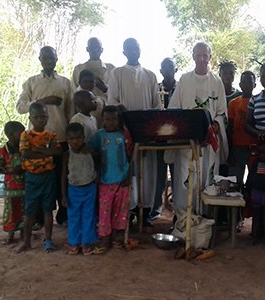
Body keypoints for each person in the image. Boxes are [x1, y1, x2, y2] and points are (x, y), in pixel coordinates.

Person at [168, 42, 228, 212]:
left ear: (210, 57)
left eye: (205, 55)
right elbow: (174, 108)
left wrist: (215, 125)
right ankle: (182, 217)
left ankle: (203, 219)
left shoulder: (217, 82)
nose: (202, 59)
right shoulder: (184, 80)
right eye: (198, 55)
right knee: (184, 178)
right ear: (193, 56)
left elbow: (222, 111)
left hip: (208, 142)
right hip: (187, 142)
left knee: (206, 180)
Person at [107, 38, 161, 226]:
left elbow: (157, 105)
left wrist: (152, 129)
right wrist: (120, 110)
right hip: (125, 133)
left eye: (136, 48)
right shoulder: (117, 73)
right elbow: (111, 100)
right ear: (124, 52)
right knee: (128, 172)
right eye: (129, 49)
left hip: (147, 133)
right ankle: (128, 213)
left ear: (140, 50)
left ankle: (145, 213)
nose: (133, 51)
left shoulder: (150, 75)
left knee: (148, 172)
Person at [17, 46, 72, 225]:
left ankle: (62, 216)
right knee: (39, 178)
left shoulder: (65, 82)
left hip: (61, 138)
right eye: (45, 57)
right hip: (35, 140)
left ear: (56, 59)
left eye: (52, 57)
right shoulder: (31, 82)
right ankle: (39, 218)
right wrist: (43, 101)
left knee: (61, 178)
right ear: (39, 59)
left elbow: (71, 110)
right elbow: (20, 107)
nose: (49, 60)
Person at [15, 102, 62, 254]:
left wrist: (37, 150)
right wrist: (46, 152)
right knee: (29, 211)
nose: (40, 119)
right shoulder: (26, 135)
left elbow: (56, 152)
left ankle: (48, 240)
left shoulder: (51, 135)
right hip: (32, 178)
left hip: (48, 176)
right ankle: (26, 241)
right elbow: (25, 154)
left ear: (48, 117)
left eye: (43, 116)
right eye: (36, 117)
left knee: (48, 209)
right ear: (30, 118)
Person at [89, 105, 132, 252]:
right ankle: (105, 238)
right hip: (105, 180)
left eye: (114, 119)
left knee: (120, 210)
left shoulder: (124, 135)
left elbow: (131, 156)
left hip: (122, 180)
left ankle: (116, 237)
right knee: (105, 210)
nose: (111, 122)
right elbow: (91, 151)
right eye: (108, 119)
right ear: (103, 120)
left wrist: (129, 176)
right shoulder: (98, 136)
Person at [61, 123, 99, 256]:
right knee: (73, 217)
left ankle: (86, 244)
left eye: (78, 138)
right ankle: (74, 244)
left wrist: (96, 181)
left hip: (89, 189)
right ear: (67, 139)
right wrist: (64, 195)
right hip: (73, 190)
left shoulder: (91, 152)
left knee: (89, 217)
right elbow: (64, 176)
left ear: (83, 138)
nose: (75, 141)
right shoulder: (67, 155)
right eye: (71, 139)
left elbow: (98, 165)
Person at [152, 57, 177, 219]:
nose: (167, 71)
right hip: (160, 138)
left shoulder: (182, 87)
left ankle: (178, 209)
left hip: (177, 138)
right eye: (164, 68)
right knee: (159, 175)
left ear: (175, 69)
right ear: (160, 71)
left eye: (170, 68)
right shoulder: (156, 88)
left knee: (178, 175)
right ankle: (155, 209)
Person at [0, 121, 26, 244]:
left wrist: (20, 168)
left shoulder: (24, 149)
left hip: (24, 186)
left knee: (24, 209)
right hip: (10, 187)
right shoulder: (3, 151)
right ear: (10, 135)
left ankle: (24, 232)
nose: (23, 135)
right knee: (11, 211)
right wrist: (2, 169)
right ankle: (11, 235)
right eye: (21, 133)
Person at [227, 71, 258, 192]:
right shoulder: (233, 103)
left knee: (253, 182)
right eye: (244, 82)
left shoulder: (258, 101)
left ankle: (248, 210)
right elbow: (229, 128)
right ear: (240, 84)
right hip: (237, 147)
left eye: (250, 82)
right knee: (234, 182)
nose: (247, 85)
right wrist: (230, 151)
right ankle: (234, 210)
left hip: (254, 147)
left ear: (254, 84)